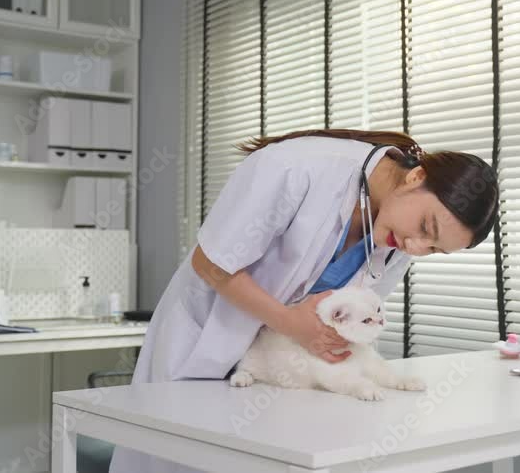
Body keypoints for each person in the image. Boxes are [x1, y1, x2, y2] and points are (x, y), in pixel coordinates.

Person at [109, 129, 499, 473]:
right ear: (416, 177)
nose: (415, 246)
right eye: (426, 227)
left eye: (434, 249)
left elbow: (354, 314)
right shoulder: (297, 168)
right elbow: (211, 264)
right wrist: (291, 323)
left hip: (276, 381)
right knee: (174, 461)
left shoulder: (399, 239)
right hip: (203, 346)